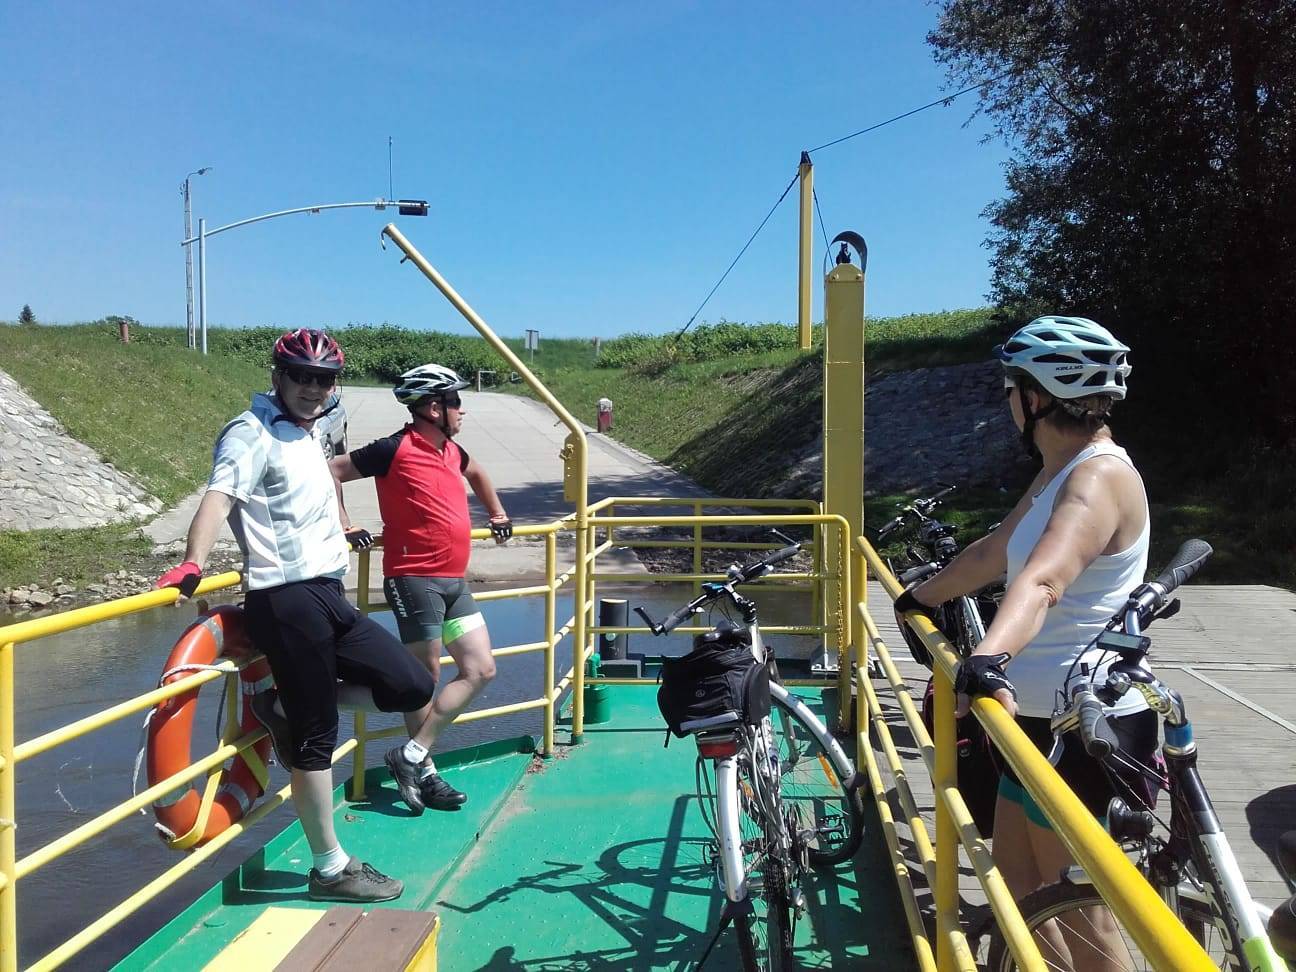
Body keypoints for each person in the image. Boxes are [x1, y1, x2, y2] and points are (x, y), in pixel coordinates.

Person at [894, 316, 1150, 963]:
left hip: (1081, 726)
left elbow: (1044, 579)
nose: (1009, 401)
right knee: (1018, 887)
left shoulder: (1099, 477)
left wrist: (986, 657)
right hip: (1032, 720)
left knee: (1083, 915)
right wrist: (923, 597)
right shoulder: (1056, 473)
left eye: (1012, 389)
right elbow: (996, 551)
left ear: (1034, 397)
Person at [155, 328, 437, 904]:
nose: (312, 387)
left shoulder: (311, 431)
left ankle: (282, 704)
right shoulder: (250, 431)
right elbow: (219, 497)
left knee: (411, 684)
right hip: (284, 600)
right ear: (277, 376)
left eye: (323, 378)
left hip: (327, 593)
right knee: (316, 739)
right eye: (301, 376)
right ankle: (330, 868)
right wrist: (192, 562)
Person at [330, 363, 512, 814]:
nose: (461, 410)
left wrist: (498, 514)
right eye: (455, 402)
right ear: (433, 408)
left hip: (453, 581)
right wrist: (346, 524)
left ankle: (410, 756)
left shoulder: (452, 450)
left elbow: (478, 473)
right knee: (422, 682)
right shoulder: (393, 448)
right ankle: (426, 774)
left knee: (481, 669)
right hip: (413, 579)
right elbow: (332, 470)